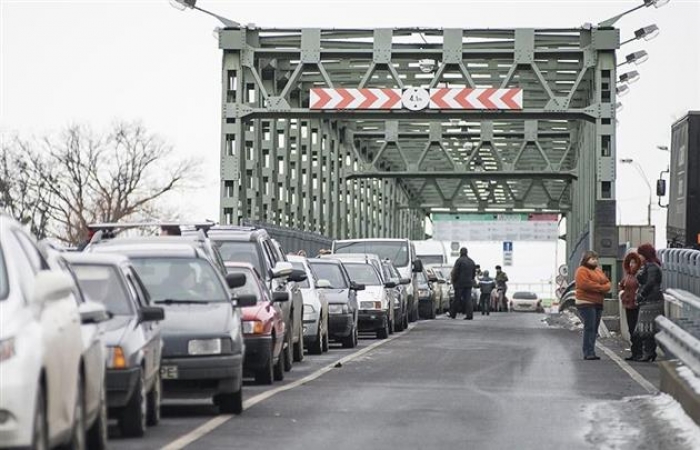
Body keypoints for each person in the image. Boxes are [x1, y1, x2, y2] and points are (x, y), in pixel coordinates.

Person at [575, 250, 611, 360]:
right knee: (589, 327)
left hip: (597, 302)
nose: (595, 261)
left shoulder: (598, 271)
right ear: (586, 259)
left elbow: (608, 283)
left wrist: (601, 287)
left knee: (594, 328)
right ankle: (588, 352)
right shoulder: (581, 270)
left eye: (596, 259)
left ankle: (591, 351)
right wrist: (601, 288)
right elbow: (584, 284)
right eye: (592, 259)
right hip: (586, 302)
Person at [635, 243, 664, 362]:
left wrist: (641, 294)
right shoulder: (651, 265)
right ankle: (649, 352)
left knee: (646, 328)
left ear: (644, 255)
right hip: (653, 299)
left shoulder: (651, 266)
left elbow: (650, 282)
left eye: (640, 254)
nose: (639, 257)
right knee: (649, 328)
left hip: (651, 300)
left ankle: (648, 352)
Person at [619, 251, 643, 361]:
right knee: (631, 328)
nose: (632, 265)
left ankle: (638, 352)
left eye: (634, 262)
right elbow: (622, 285)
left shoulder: (639, 274)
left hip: (636, 304)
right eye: (630, 262)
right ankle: (635, 352)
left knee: (636, 329)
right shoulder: (628, 275)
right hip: (628, 305)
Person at [450, 247, 477, 320]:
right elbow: (474, 273)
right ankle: (469, 315)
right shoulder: (471, 261)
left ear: (460, 252)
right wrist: (471, 279)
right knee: (468, 299)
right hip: (468, 283)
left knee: (457, 299)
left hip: (459, 283)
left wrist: (454, 280)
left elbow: (455, 272)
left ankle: (453, 314)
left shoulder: (459, 261)